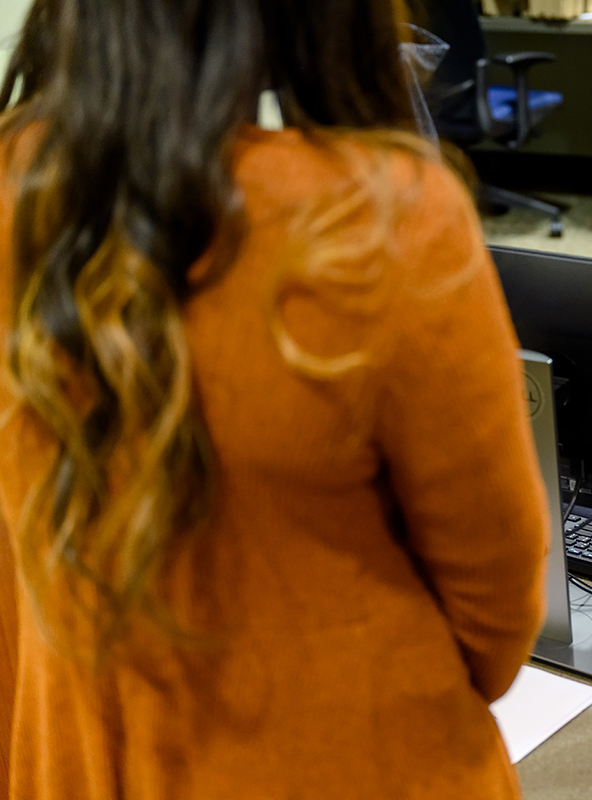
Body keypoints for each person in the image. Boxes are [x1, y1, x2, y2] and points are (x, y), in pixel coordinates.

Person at [0, 1, 548, 797]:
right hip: (347, 758)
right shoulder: (379, 215)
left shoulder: (22, 191)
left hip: (75, 756)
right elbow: (497, 615)